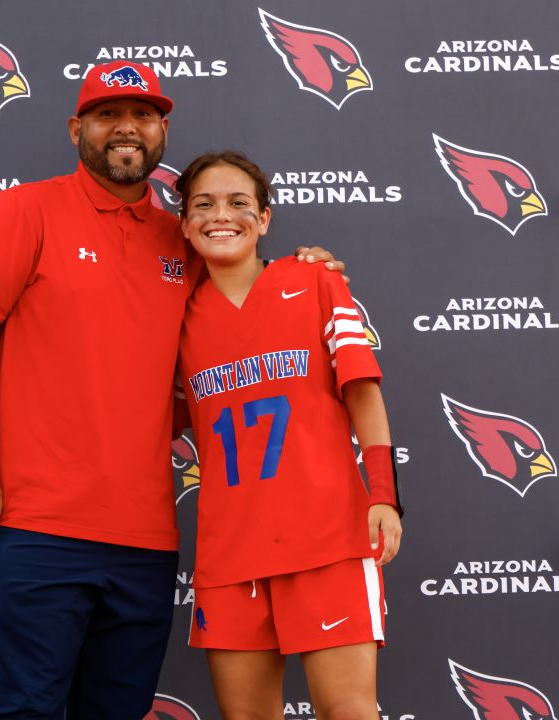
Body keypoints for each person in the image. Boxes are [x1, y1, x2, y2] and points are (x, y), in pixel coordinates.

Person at [0, 63, 345, 719]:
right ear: (77, 129)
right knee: (25, 707)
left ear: (162, 131)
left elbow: (246, 311)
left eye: (143, 114)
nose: (126, 127)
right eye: (106, 114)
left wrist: (307, 270)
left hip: (145, 538)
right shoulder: (25, 210)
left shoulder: (179, 240)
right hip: (35, 524)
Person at [173, 150, 403, 720]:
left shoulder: (315, 280)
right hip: (229, 551)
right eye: (202, 205)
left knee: (348, 710)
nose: (220, 216)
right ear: (182, 223)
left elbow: (362, 391)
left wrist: (383, 495)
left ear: (266, 218)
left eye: (238, 203)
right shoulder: (173, 318)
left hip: (326, 537)